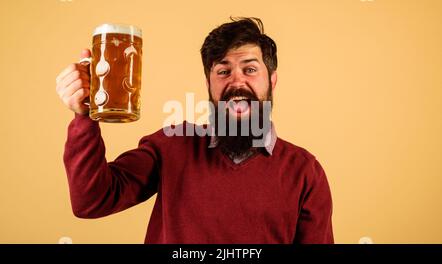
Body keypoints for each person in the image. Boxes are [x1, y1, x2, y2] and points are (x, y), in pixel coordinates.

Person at [55, 17, 334, 244]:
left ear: (272, 81)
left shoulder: (305, 171)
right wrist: (84, 116)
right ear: (208, 84)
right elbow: (91, 201)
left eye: (250, 70)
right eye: (223, 72)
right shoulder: (171, 145)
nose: (237, 82)